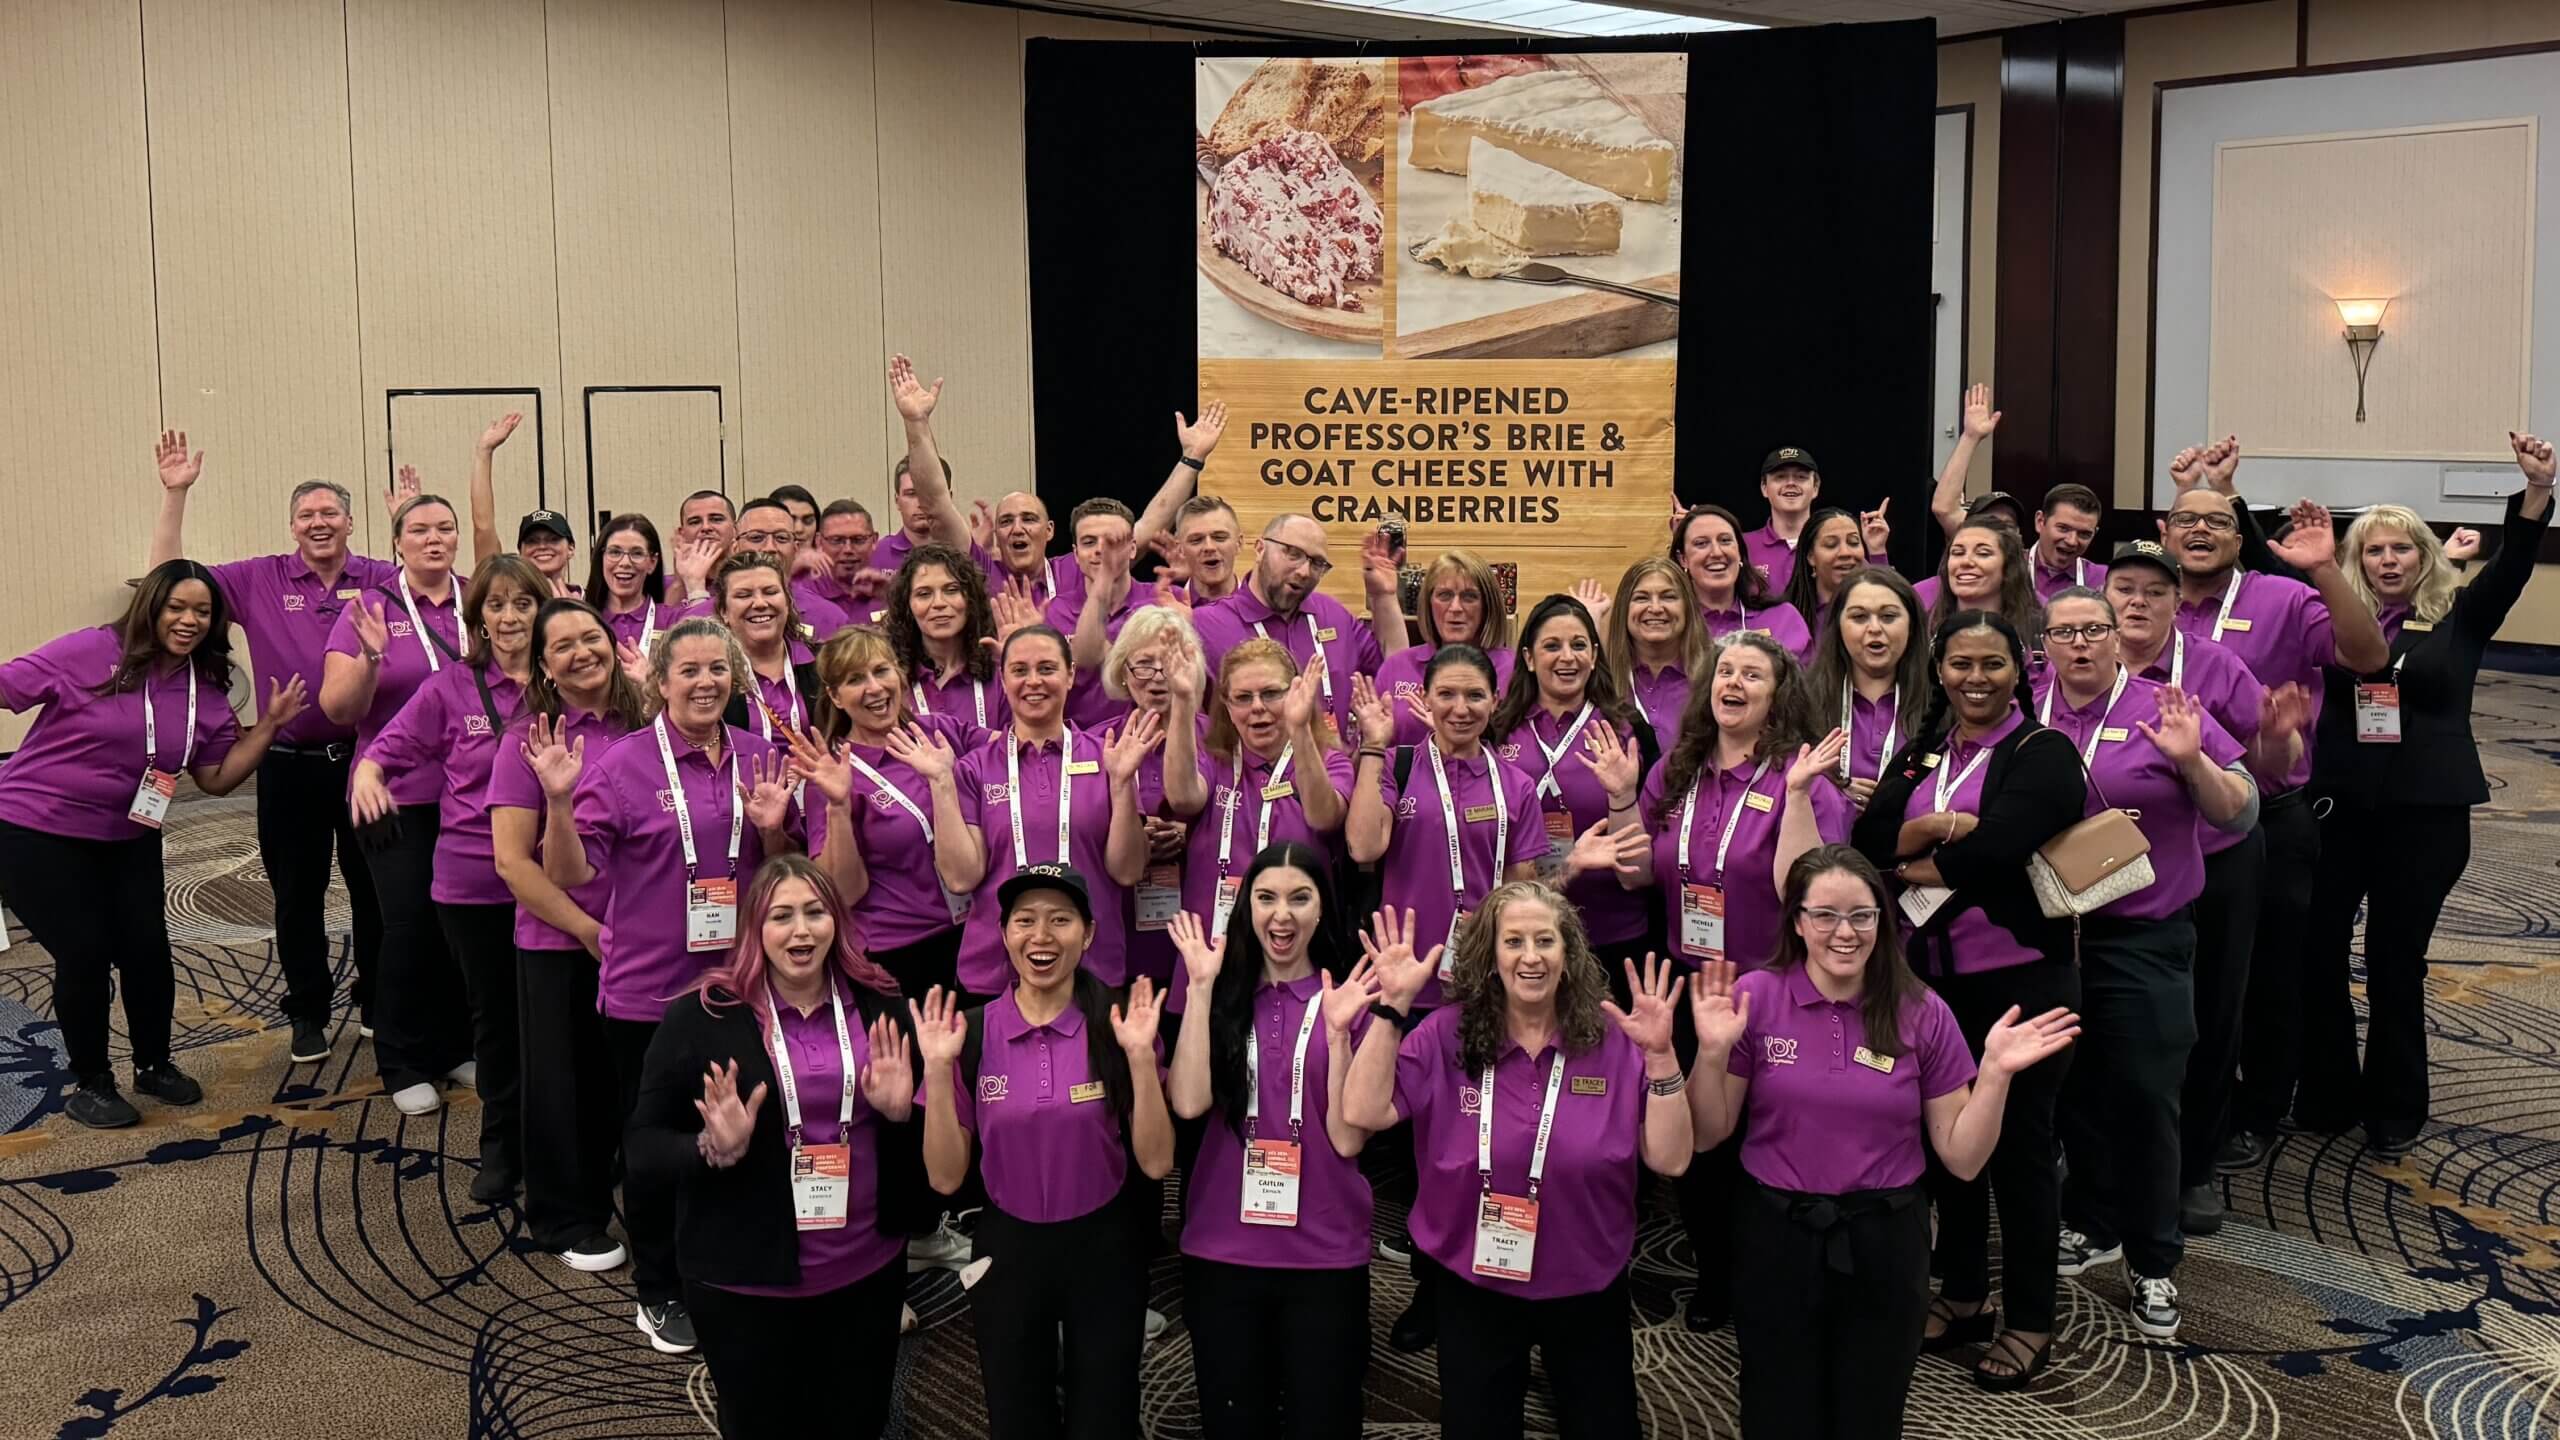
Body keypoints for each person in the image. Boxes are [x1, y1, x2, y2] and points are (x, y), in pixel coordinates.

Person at [1692, 846, 2078, 1438]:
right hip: (1775, 1233)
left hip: (1884, 1240)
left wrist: (1995, 1073)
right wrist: (1711, 1054)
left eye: (1862, 915)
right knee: (1775, 1403)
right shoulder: (1757, 997)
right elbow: (1709, 1130)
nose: (1843, 933)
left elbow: (1963, 1158)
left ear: (1883, 920)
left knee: (1870, 1410)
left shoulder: (1923, 1012)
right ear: (1797, 921)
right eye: (1825, 915)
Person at [534, 615, 802, 1355]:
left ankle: (730, 1262)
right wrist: (558, 800)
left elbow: (780, 869)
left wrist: (775, 830)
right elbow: (569, 874)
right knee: (655, 1148)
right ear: (659, 681)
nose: (707, 682)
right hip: (648, 995)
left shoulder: (759, 755)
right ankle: (658, 1290)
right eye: (690, 670)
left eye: (720, 669)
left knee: (748, 1132)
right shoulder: (620, 765)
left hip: (744, 986)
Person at [1342, 887, 1692, 1440]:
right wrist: (1391, 1009)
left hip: (1586, 1277)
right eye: (1514, 941)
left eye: (1545, 940)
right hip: (1472, 1278)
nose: (1531, 956)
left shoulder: (1614, 1040)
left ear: (1568, 954)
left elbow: (1671, 1159)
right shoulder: (1445, 1035)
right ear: (1489, 955)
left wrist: (1663, 1057)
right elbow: (1362, 1111)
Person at [2297, 433, 2553, 1156]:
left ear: (2424, 556)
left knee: (2392, 956)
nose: (2387, 561)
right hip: (2340, 807)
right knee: (2318, 951)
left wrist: (2534, 494)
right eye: (2374, 550)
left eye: (2401, 549)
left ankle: (2394, 1106)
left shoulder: (2458, 617)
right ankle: (2326, 1094)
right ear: (2357, 560)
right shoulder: (2328, 619)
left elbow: (2516, 566)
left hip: (2426, 814)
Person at [1850, 610, 2086, 1387]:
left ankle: (2029, 1319)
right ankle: (1962, 1295)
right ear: (1940, 672)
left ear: (2021, 670)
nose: (1974, 679)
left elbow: (2001, 848)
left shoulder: (2041, 750)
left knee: (2018, 1153)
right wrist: (1941, 828)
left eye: (1991, 664)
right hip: (1931, 986)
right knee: (1947, 1149)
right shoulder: (1923, 751)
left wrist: (1927, 854)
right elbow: (1870, 840)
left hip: (2020, 986)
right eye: (1960, 665)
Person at [628, 855, 924, 1440]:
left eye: (816, 913)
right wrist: (710, 1147)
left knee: (858, 1422)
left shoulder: (878, 1003)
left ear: (836, 921)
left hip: (867, 1270)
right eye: (781, 915)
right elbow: (641, 1148)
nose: (802, 930)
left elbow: (925, 1143)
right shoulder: (702, 1017)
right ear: (754, 930)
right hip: (744, 1279)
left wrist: (900, 1115)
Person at [0, 561, 304, 1127]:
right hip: (39, 829)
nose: (188, 620)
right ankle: (91, 1082)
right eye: (176, 607)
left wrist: (270, 726)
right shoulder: (88, 650)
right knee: (85, 952)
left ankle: (154, 1065)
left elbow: (215, 778)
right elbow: (5, 686)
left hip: (130, 833)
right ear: (151, 607)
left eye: (202, 611)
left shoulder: (207, 687)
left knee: (147, 950)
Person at [2035, 588, 2258, 1340]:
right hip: (2045, 938)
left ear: (2115, 634)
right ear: (2047, 644)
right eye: (2064, 633)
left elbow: (2239, 809)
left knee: (2145, 1093)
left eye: (2094, 629)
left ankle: (2154, 1257)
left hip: (2143, 936)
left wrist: (2192, 762)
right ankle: (2091, 1221)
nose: (2081, 645)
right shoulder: (2025, 708)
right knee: (2071, 1090)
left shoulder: (2166, 706)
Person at [2152, 481, 2388, 1175]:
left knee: (2263, 973)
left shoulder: (2281, 598)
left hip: (2269, 817)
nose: (2200, 531)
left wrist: (2322, 569)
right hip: (2160, 821)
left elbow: (2369, 658)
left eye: (2218, 522)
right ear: (2165, 530)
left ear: (2239, 536)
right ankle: (2171, 1104)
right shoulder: (2135, 600)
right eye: (2187, 519)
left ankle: (2253, 1114)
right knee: (2171, 970)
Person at [144, 435, 398, 1060]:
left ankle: (378, 998)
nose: (319, 522)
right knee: (297, 895)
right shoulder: (259, 578)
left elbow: (455, 588)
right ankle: (307, 1010)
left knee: (376, 890)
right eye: (307, 514)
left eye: (329, 513)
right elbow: (166, 582)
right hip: (287, 766)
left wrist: (411, 524)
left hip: (368, 764)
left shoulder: (380, 579)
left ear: (349, 521)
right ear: (293, 526)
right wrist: (176, 494)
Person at [1625, 628, 1849, 1332]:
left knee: (1767, 1142)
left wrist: (1803, 798)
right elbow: (1639, 872)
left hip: (1772, 990)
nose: (1735, 683)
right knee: (1699, 1140)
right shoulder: (1677, 770)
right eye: (1726, 671)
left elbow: (1806, 892)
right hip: (1690, 986)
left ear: (1779, 696)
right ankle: (1715, 1273)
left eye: (1754, 674)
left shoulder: (1800, 774)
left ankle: (1773, 1277)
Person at [914, 865, 1174, 1440]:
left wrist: (1138, 1061)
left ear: (1087, 933)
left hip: (1104, 1244)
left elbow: (1157, 1163)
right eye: (1025, 920)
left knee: (1105, 1415)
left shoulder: (1119, 1025)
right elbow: (944, 1176)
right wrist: (936, 1070)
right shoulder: (971, 1034)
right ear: (1003, 934)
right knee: (1017, 1414)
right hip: (1009, 1248)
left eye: (1060, 920)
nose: (1042, 936)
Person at [2100, 539, 2294, 1236]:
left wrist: (2278, 738)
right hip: (2103, 873)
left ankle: (2194, 1169)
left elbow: (2264, 769)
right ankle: (2098, 1164)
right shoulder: (2073, 668)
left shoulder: (2212, 664)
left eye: (2155, 591)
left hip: (2213, 858)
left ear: (2177, 603)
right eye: (2125, 588)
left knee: (2208, 1009)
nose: (2138, 603)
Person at [1163, 846, 1377, 1438]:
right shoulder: (1219, 996)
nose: (1281, 916)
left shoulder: (1350, 1000)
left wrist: (1338, 1034)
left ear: (1321, 910)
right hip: (1222, 1246)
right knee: (1234, 1422)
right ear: (1246, 909)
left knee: (1325, 1420)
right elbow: (1186, 1102)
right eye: (1266, 898)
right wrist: (1201, 989)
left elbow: (1349, 1134)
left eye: (1299, 898)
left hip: (1326, 1248)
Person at [349, 555, 544, 1145]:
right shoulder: (451, 687)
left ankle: (556, 1122)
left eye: (523, 603)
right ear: (478, 617)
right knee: (491, 1009)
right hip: (477, 877)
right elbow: (388, 747)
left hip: (556, 877)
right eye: (496, 605)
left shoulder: (564, 678)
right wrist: (368, 774)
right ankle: (500, 1141)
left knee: (548, 1011)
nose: (510, 617)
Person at [490, 597, 651, 1273]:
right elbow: (510, 861)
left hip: (647, 939)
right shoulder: (530, 735)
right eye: (563, 646)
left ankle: (619, 1182)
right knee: (565, 1081)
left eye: (592, 637)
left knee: (629, 1078)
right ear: (545, 666)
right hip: (563, 939)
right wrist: (587, 929)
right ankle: (565, 1216)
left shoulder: (647, 719)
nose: (582, 652)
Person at [935, 626, 1157, 998]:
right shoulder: (974, 769)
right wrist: (940, 782)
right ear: (1003, 680)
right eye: (1019, 670)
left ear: (1070, 675)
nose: (1033, 681)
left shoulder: (1108, 759)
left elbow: (1128, 870)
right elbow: (960, 878)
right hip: (995, 971)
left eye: (1047, 668)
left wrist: (1121, 783)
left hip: (1093, 966)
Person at [1162, 640, 1350, 1016]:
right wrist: (1183, 702)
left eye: (1270, 694)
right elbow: (1183, 798)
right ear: (1227, 707)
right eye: (1243, 698)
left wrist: (1299, 731)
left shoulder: (1328, 759)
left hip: (1293, 952)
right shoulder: (1215, 760)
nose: (1258, 708)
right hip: (1213, 952)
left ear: (1296, 693)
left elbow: (1323, 816)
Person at [1488, 594, 1656, 969]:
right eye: (1552, 646)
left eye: (1579, 645)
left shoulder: (1627, 729)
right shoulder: (1499, 732)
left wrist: (1622, 795)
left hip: (1614, 933)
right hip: (1524, 935)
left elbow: (1640, 872)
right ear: (1529, 658)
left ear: (1594, 657)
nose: (1568, 657)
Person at [1191, 513, 1409, 738]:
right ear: (1260, 549)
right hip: (1250, 771)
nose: (1304, 572)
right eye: (1293, 554)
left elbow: (1396, 672)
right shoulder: (1206, 625)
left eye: (1317, 563)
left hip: (1334, 769)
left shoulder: (1332, 614)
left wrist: (1383, 596)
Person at [1096, 607, 1202, 993]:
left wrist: (1191, 834)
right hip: (1120, 921)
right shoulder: (1097, 743)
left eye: (1169, 664)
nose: (1158, 679)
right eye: (1143, 665)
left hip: (1196, 919)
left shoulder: (1218, 741)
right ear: (1123, 672)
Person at [1804, 567, 1931, 810]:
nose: (1874, 628)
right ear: (1838, 627)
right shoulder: (1803, 699)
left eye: (1888, 617)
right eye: (1859, 617)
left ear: (1912, 626)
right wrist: (1832, 787)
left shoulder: (1943, 701)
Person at [1372, 550, 1517, 747]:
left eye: (1469, 597)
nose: (1456, 607)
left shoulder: (1514, 669)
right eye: (1445, 595)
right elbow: (1374, 747)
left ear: (1487, 606)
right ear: (1429, 603)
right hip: (1403, 777)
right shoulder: (1397, 666)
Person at [1053, 498, 1163, 729]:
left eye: (1112, 542)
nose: (1100, 551)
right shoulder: (1053, 613)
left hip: (1151, 742)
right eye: (1089, 542)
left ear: (1133, 548)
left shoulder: (1164, 602)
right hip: (1079, 752)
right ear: (1075, 554)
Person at [886, 541, 1012, 733]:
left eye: (951, 590)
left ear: (971, 599)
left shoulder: (1000, 673)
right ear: (908, 606)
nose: (938, 603)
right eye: (924, 594)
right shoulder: (890, 678)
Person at [1671, 504, 1811, 658]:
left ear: (1740, 553)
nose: (1716, 552)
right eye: (1701, 543)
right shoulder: (1671, 623)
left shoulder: (1782, 618)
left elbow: (1800, 681)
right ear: (1683, 559)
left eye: (1725, 540)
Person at [1603, 557, 1707, 752]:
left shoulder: (1713, 681)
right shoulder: (1603, 682)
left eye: (1668, 597)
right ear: (1624, 609)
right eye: (1641, 598)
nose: (1656, 608)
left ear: (1688, 607)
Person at [713, 550, 819, 741]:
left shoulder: (823, 663)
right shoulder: (712, 674)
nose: (760, 603)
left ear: (787, 602)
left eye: (770, 592)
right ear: (724, 612)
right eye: (744, 595)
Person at [734, 499, 851, 639]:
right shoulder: (705, 615)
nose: (770, 547)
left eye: (781, 538)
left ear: (795, 549)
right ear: (735, 548)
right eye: (757, 537)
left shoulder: (830, 618)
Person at [586, 513, 693, 661]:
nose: (624, 563)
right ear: (601, 557)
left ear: (652, 563)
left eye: (636, 553)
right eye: (615, 552)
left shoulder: (674, 621)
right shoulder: (584, 620)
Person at [1915, 515, 2039, 640]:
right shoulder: (1920, 627)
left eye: (1983, 553)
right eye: (1958, 553)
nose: (1966, 561)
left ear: (2008, 566)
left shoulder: (2041, 630)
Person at [1774, 507, 1885, 642]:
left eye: (1853, 543)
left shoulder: (1877, 615)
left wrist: (1877, 551)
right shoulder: (1785, 619)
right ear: (1811, 556)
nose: (1845, 552)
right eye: (1831, 545)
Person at [1742, 446, 1824, 590]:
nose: (1791, 483)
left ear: (1815, 487)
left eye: (1801, 477)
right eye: (1780, 477)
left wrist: (1876, 552)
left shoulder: (1835, 543)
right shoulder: (1741, 545)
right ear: (1764, 488)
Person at [1169, 493, 1246, 603]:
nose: (1209, 547)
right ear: (1180, 549)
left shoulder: (1267, 613)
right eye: (1196, 540)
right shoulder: (1162, 613)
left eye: (1219, 537)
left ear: (1239, 543)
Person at [809, 500, 881, 616]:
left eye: (858, 540)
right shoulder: (800, 599)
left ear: (874, 541)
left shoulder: (890, 598)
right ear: (819, 542)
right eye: (837, 540)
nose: (848, 549)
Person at [667, 491, 737, 604]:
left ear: (735, 529)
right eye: (695, 522)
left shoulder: (752, 579)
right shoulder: (664, 586)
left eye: (716, 519)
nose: (706, 527)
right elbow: (668, 620)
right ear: (682, 533)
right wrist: (680, 581)